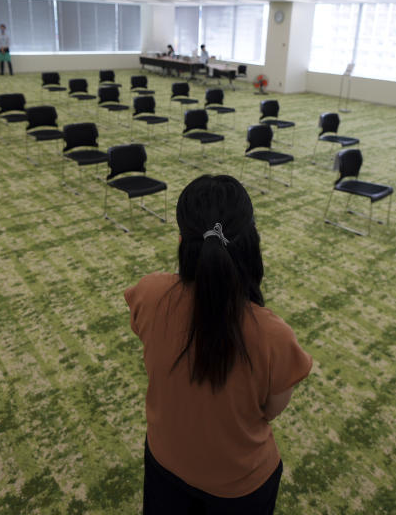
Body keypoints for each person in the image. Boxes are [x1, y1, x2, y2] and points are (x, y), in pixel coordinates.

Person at [125, 175, 313, 514]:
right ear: (251, 242)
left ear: (181, 239)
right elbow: (271, 410)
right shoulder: (274, 336)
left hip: (164, 462)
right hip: (240, 486)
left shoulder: (149, 293)